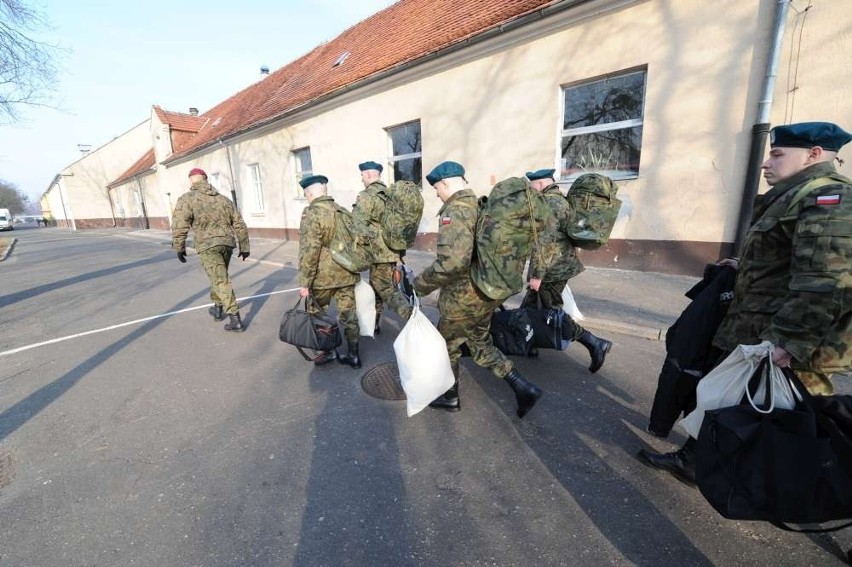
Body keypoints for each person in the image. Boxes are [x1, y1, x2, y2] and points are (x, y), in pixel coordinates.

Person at [639, 121, 852, 485]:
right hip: (755, 326)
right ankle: (696, 461)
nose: (767, 163)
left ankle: (806, 488)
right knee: (728, 396)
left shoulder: (826, 199)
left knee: (792, 415)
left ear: (813, 154)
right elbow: (789, 258)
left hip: (782, 333)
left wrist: (789, 342)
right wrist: (745, 266)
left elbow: (824, 281)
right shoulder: (793, 195)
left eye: (778, 154)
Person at [413, 161, 544, 418]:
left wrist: (419, 285)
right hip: (488, 292)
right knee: (479, 341)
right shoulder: (480, 204)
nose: (437, 194)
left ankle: (449, 396)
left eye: (437, 188)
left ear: (446, 184)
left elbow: (452, 263)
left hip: (465, 295)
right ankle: (522, 386)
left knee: (446, 344)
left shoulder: (456, 211)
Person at [524, 168, 613, 372]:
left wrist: (537, 275)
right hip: (559, 264)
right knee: (530, 304)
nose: (531, 190)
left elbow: (543, 243)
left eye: (531, 185)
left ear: (539, 184)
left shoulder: (547, 204)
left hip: (552, 269)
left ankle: (594, 342)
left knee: (552, 311)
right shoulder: (561, 200)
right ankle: (528, 343)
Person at [172, 167, 250, 332]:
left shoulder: (187, 199)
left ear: (191, 181)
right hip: (227, 244)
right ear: (206, 179)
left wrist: (179, 246)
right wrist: (244, 246)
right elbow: (239, 223)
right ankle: (217, 309)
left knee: (220, 280)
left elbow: (180, 224)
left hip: (208, 246)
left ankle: (235, 318)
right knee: (219, 276)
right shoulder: (224, 200)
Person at [297, 174, 362, 367]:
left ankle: (328, 351)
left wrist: (304, 283)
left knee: (317, 314)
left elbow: (310, 251)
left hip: (322, 277)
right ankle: (354, 356)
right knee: (349, 314)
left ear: (309, 193)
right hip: (346, 273)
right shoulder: (343, 211)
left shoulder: (312, 213)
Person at [351, 161, 413, 334]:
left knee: (386, 289)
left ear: (369, 175)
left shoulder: (367, 195)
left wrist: (358, 249)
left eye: (362, 175)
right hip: (393, 250)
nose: (362, 179)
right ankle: (374, 323)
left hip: (378, 254)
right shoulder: (392, 195)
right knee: (376, 287)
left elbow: (356, 224)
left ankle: (414, 318)